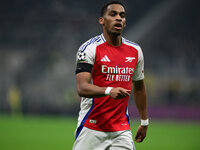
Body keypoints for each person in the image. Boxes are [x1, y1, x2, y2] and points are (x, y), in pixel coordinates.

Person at [73, 1, 148, 150]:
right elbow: (82, 88)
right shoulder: (89, 49)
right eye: (113, 14)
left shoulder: (135, 51)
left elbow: (139, 88)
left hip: (121, 131)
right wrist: (108, 91)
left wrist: (144, 122)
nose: (119, 18)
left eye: (122, 15)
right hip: (91, 128)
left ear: (125, 22)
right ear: (102, 20)